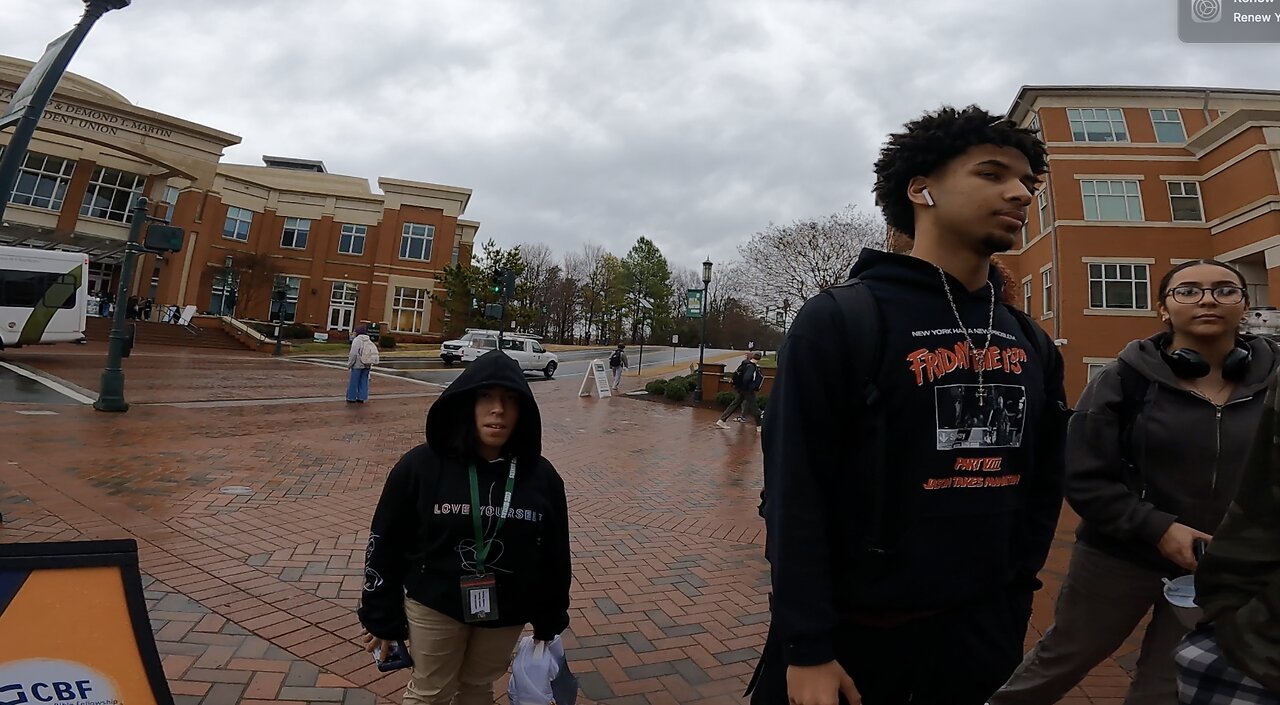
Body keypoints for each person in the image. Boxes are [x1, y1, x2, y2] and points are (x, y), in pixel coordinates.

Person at [754, 105, 1068, 705]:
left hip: (980, 639)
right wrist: (808, 645)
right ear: (921, 189)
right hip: (854, 641)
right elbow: (797, 492)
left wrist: (1013, 602)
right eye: (992, 173)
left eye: (1028, 182)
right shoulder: (842, 320)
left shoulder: (1030, 339)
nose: (1021, 193)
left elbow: (1041, 484)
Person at [992, 259, 1280, 705]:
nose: (1207, 298)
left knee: (1167, 683)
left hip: (1218, 566)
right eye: (1188, 291)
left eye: (1226, 290)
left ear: (1244, 305)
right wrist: (1158, 528)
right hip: (1120, 555)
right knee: (1064, 658)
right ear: (1162, 308)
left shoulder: (1273, 380)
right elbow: (1085, 475)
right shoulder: (1124, 377)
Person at [358, 349, 572, 705]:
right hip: (435, 604)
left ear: (523, 411)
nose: (498, 410)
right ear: (466, 405)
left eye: (509, 400)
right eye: (486, 397)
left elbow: (554, 552)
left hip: (507, 610)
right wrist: (380, 614)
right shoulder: (420, 467)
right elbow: (385, 541)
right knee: (430, 692)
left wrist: (550, 617)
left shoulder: (542, 478)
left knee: (477, 688)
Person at [1173, 379, 1280, 703]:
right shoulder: (1127, 378)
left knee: (1156, 676)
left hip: (1250, 629)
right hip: (1132, 554)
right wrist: (1153, 525)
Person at [716, 351, 763, 432]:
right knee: (754, 407)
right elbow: (747, 378)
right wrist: (750, 387)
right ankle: (759, 426)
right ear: (759, 359)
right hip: (747, 390)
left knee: (735, 403)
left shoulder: (745, 364)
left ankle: (722, 420)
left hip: (742, 389)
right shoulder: (752, 367)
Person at [347, 325, 376, 403]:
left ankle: (351, 397)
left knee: (354, 381)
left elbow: (353, 354)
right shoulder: (368, 340)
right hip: (367, 364)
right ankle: (362, 397)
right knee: (364, 381)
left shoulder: (357, 340)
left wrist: (349, 364)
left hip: (357, 364)